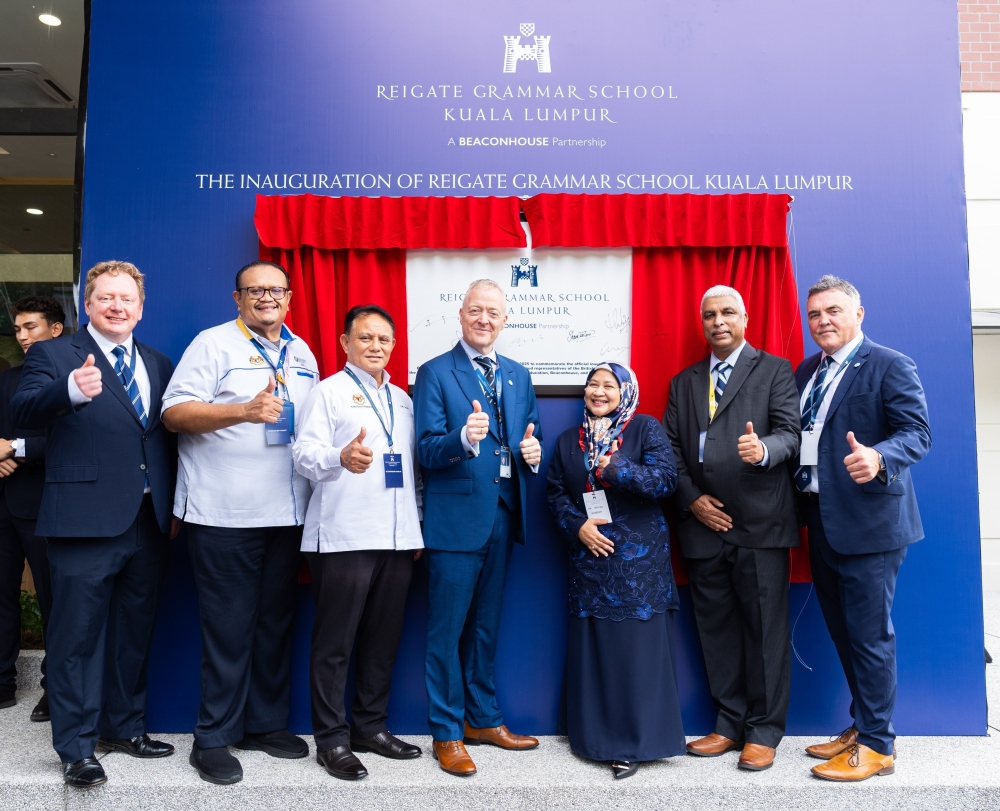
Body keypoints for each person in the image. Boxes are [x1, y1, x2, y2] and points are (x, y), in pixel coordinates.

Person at [10, 262, 177, 788]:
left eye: (127, 298)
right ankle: (77, 748)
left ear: (141, 307)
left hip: (146, 521)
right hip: (82, 521)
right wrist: (72, 391)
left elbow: (157, 438)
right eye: (105, 297)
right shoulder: (54, 354)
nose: (117, 306)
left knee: (133, 632)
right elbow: (25, 405)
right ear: (89, 304)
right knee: (76, 638)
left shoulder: (157, 361)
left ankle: (123, 728)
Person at [161, 260, 319, 785]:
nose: (266, 298)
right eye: (255, 291)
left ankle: (265, 725)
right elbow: (175, 413)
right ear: (237, 299)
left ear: (289, 297)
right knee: (227, 629)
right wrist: (242, 412)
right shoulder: (213, 344)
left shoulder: (302, 353)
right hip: (224, 514)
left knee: (274, 624)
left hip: (287, 513)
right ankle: (213, 737)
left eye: (275, 290)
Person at [794, 276, 930, 782]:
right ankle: (861, 725)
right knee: (844, 634)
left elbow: (917, 433)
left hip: (871, 525)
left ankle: (878, 745)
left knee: (870, 637)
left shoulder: (890, 364)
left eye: (833, 311)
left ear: (859, 313)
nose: (823, 321)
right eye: (814, 315)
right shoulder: (809, 370)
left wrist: (878, 455)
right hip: (821, 521)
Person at [664, 284, 800, 772]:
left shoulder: (775, 371)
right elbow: (672, 454)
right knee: (716, 630)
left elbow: (790, 433)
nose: (717, 321)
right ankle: (728, 722)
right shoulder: (684, 382)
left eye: (726, 313)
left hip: (760, 524)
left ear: (745, 317)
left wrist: (762, 450)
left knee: (765, 632)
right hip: (703, 528)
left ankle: (763, 731)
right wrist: (693, 500)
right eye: (709, 315)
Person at [413, 278, 543, 776]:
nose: (484, 319)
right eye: (476, 311)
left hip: (502, 517)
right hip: (454, 522)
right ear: (461, 315)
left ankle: (483, 718)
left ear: (505, 320)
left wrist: (534, 454)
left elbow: (528, 438)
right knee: (446, 633)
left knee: (486, 629)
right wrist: (462, 441)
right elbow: (425, 450)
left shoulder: (516, 374)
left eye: (493, 312)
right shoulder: (434, 373)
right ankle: (447, 732)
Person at [292, 304, 424, 781]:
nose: (375, 347)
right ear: (345, 343)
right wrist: (339, 456)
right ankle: (331, 739)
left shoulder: (404, 400)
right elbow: (304, 454)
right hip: (343, 535)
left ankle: (371, 727)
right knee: (335, 645)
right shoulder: (327, 393)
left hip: (397, 537)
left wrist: (416, 529)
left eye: (383, 340)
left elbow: (411, 470)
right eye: (365, 338)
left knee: (382, 641)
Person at [546, 362, 685, 780]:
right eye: (592, 384)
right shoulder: (569, 440)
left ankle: (634, 745)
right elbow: (554, 493)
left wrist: (617, 469)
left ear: (625, 391)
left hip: (639, 565)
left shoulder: (645, 429)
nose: (599, 392)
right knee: (597, 649)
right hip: (591, 560)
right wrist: (577, 527)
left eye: (609, 385)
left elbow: (666, 481)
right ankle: (594, 740)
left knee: (636, 654)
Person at [0, 296, 65, 723]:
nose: (23, 336)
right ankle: (2, 682)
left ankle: (53, 690)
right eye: (19, 329)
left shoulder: (71, 379)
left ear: (55, 329)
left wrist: (15, 449)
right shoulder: (8, 378)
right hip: (1, 500)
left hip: (45, 505)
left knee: (53, 600)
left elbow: (69, 440)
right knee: (2, 596)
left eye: (32, 327)